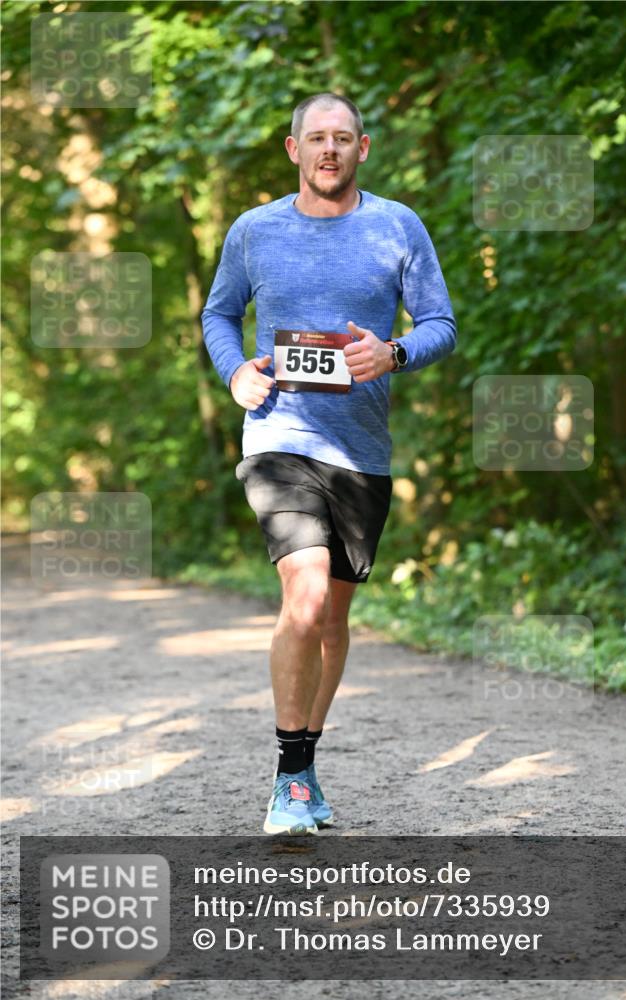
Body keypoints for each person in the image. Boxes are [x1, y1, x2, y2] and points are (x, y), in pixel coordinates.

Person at [201, 92, 456, 834]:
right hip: (278, 439)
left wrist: (395, 351)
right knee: (304, 597)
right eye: (316, 139)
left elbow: (440, 323)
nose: (329, 151)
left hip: (360, 451)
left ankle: (305, 760)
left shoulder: (396, 226)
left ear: (363, 148)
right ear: (293, 150)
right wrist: (233, 373)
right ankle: (291, 779)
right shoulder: (254, 231)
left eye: (343, 139)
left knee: (333, 619)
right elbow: (220, 312)